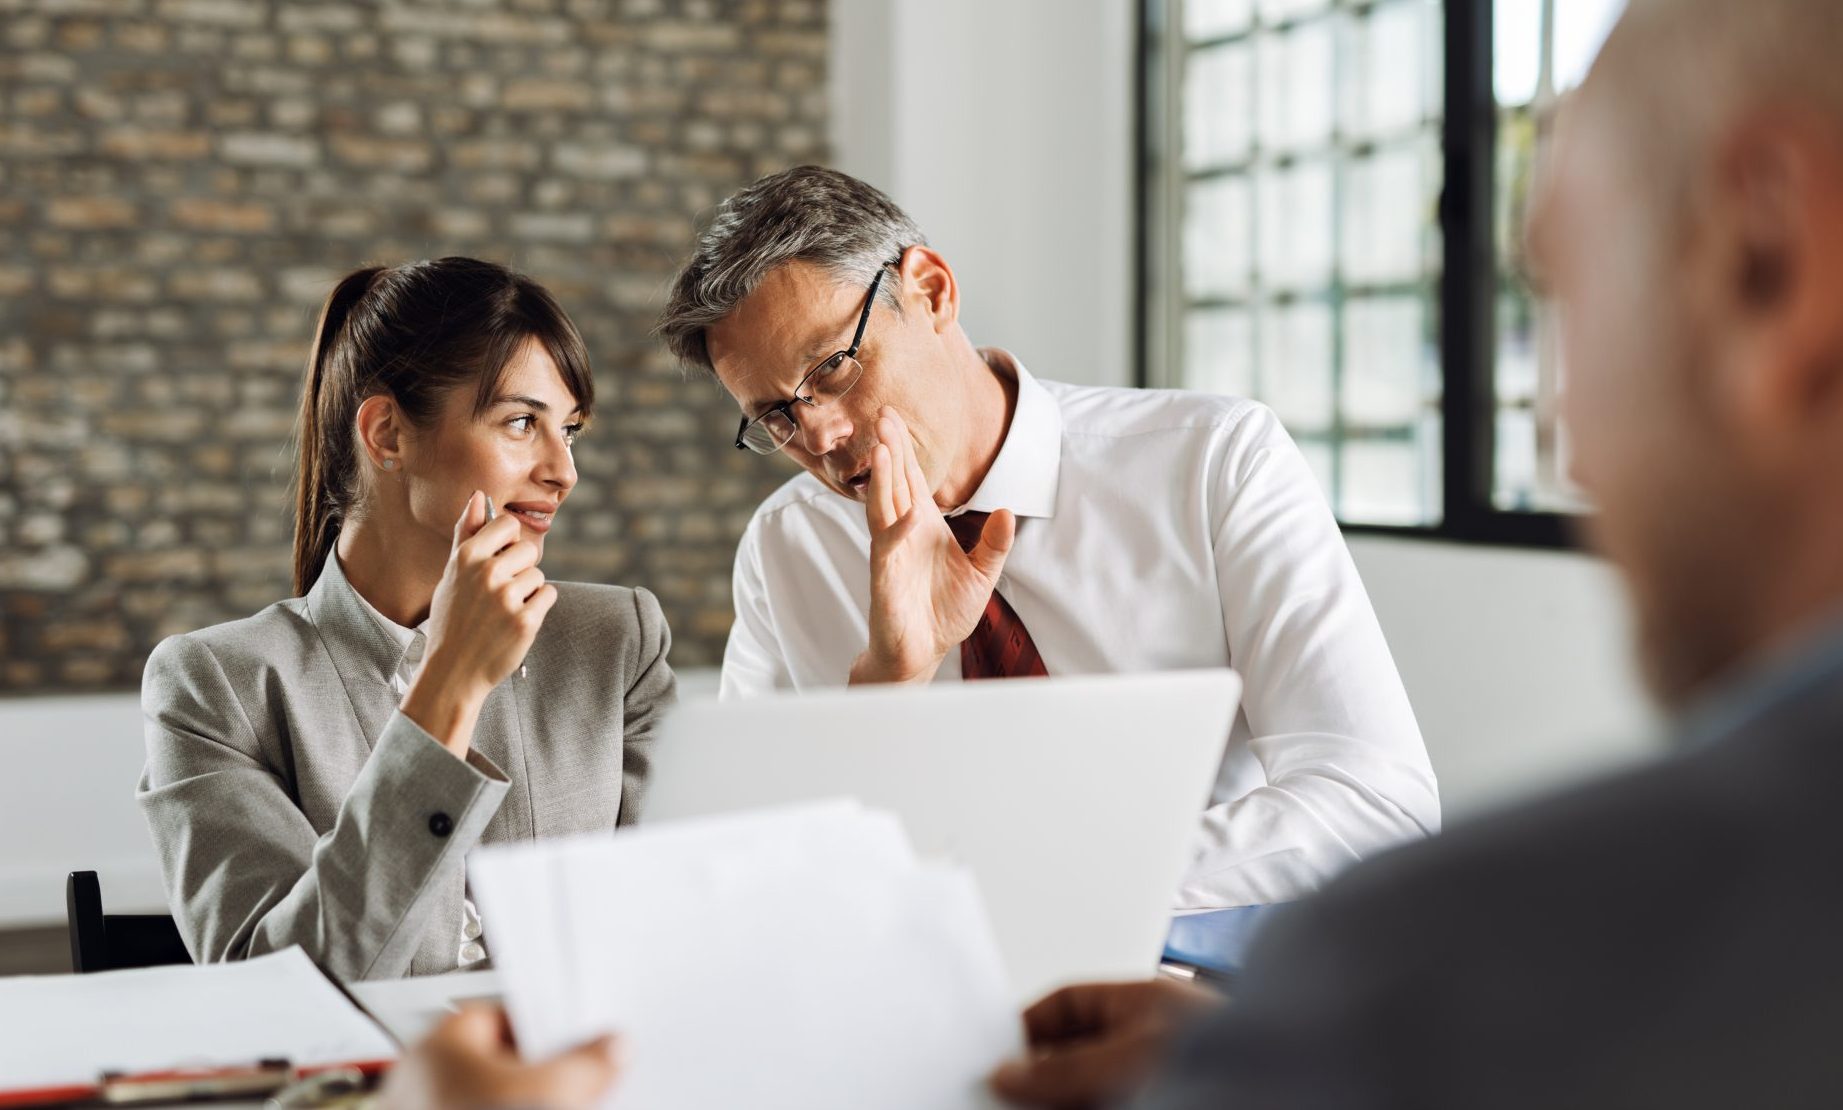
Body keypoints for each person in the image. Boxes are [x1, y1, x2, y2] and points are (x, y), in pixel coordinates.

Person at [991, 0, 1843, 1105]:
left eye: (1569, 297)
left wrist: (1330, 1044)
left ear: (1764, 260)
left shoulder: (1421, 976)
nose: (1571, 440)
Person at [654, 167, 1439, 909]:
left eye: (830, 369)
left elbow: (1372, 803)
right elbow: (751, 860)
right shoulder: (787, 548)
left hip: (1177, 977)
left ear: (929, 291)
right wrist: (889, 682)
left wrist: (1061, 885)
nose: (818, 434)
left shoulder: (1211, 461)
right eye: (776, 416)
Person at [138, 257, 676, 981]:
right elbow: (275, 989)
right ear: (388, 434)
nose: (562, 470)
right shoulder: (214, 687)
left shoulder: (617, 643)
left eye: (569, 430)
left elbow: (675, 935)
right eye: (522, 422)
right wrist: (448, 684)